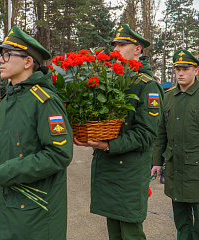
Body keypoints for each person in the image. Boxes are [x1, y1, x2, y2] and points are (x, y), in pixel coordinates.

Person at [0, 26, 73, 240]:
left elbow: (59, 154)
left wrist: (8, 171)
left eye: (7, 55)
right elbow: (13, 145)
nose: (0, 60)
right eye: (1, 55)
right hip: (8, 204)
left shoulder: (45, 102)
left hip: (35, 214)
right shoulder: (9, 100)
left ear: (28, 62)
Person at [74, 24, 164, 240]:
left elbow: (146, 134)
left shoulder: (146, 85)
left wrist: (108, 145)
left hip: (129, 174)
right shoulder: (114, 79)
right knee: (114, 232)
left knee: (130, 232)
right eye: (114, 45)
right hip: (110, 170)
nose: (116, 49)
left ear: (137, 50)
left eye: (122, 45)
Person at [151, 49, 199, 240]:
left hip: (196, 170)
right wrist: (156, 162)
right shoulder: (168, 97)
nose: (180, 73)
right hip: (175, 169)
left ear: (196, 71)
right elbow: (161, 132)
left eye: (185, 69)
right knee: (181, 222)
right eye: (177, 68)